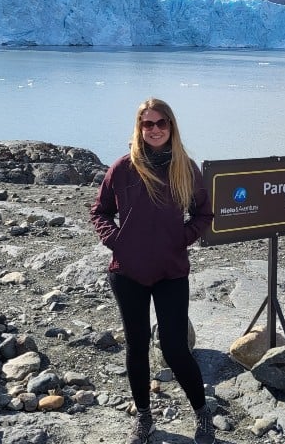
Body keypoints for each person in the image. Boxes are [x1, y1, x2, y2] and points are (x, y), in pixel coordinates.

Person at [90, 98, 215, 444]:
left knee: (175, 348)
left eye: (161, 123)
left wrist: (180, 239)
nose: (155, 129)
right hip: (128, 272)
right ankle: (143, 417)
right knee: (137, 345)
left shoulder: (185, 168)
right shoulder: (123, 168)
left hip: (171, 271)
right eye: (148, 124)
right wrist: (117, 241)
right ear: (139, 128)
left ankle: (203, 413)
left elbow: (204, 215)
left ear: (171, 126)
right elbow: (100, 211)